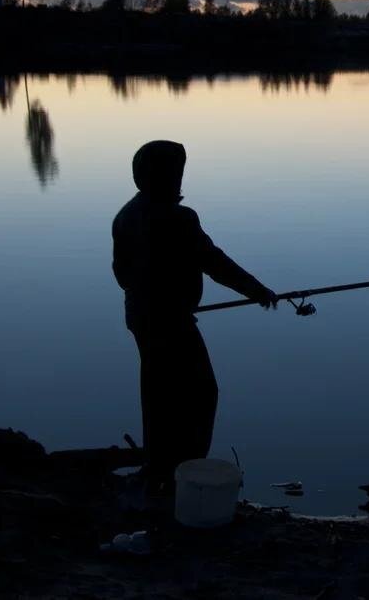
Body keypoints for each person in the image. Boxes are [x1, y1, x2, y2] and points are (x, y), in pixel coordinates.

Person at [112, 140, 278, 491]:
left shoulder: (125, 215)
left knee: (157, 391)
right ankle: (186, 469)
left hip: (141, 317)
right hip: (170, 322)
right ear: (167, 176)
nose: (180, 178)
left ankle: (158, 464)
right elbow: (214, 262)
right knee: (201, 393)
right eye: (176, 172)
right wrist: (258, 291)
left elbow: (121, 274)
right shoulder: (179, 218)